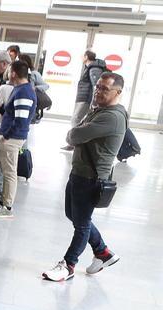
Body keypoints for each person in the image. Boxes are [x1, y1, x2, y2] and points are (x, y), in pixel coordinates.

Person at [43, 72, 127, 282]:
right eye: (98, 87)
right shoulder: (98, 110)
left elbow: (74, 135)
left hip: (91, 178)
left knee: (81, 224)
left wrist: (76, 133)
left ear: (118, 92)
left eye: (104, 89)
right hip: (79, 173)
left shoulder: (112, 116)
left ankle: (68, 265)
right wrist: (76, 133)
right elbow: (75, 134)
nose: (98, 91)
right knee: (74, 215)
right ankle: (103, 252)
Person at [0, 60, 36, 219]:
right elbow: (12, 111)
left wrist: (7, 134)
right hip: (10, 135)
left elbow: (21, 119)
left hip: (12, 137)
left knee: (10, 172)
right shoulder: (19, 89)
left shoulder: (23, 92)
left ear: (13, 73)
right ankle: (3, 202)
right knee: (7, 171)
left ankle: (7, 206)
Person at [72, 51, 107, 126]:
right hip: (84, 98)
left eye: (82, 55)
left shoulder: (94, 68)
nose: (81, 57)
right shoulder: (90, 67)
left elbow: (97, 86)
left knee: (76, 119)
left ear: (86, 57)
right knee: (78, 119)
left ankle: (75, 136)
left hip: (86, 99)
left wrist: (94, 102)